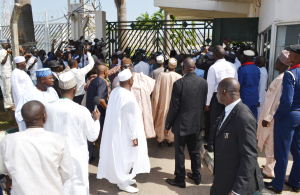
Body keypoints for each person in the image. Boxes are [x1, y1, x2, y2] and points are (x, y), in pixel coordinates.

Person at [44, 72, 101, 195]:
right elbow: (92, 135)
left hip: (54, 158)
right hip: (75, 160)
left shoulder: (47, 108)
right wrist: (96, 120)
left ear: (59, 89)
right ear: (74, 89)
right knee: (76, 188)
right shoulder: (81, 111)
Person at [0, 100, 73, 195]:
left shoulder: (8, 141)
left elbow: (4, 169)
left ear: (24, 118)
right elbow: (67, 173)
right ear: (44, 116)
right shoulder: (58, 140)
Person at [97, 69, 150, 193]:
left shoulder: (116, 91)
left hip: (117, 130)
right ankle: (123, 183)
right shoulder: (127, 96)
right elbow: (129, 119)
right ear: (130, 80)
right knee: (126, 157)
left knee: (122, 156)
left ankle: (124, 177)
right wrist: (133, 136)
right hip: (125, 133)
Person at [211, 78, 264, 195]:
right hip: (223, 180)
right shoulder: (228, 111)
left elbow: (249, 156)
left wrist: (237, 190)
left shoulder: (243, 117)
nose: (216, 95)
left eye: (217, 91)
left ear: (224, 92)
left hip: (235, 185)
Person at [165, 58, 207, 188]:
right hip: (197, 123)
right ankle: (196, 175)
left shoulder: (179, 84)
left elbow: (174, 107)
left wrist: (167, 125)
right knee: (195, 150)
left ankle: (180, 179)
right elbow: (202, 104)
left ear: (183, 68)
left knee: (180, 152)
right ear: (194, 67)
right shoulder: (204, 83)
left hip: (181, 124)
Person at [265, 45, 300, 194]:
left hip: (288, 115)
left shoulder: (290, 74)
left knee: (282, 152)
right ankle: (296, 182)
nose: (289, 57)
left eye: (291, 55)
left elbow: (286, 101)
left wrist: (277, 116)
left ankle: (278, 185)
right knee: (298, 151)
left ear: (297, 57)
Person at [257, 50, 291, 179]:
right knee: (268, 143)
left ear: (281, 64)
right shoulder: (281, 77)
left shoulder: (283, 79)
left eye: (277, 61)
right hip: (269, 116)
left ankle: (269, 171)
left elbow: (277, 101)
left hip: (271, 118)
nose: (275, 63)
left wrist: (268, 117)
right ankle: (268, 167)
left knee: (270, 143)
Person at [112, 58, 156, 139]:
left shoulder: (142, 77)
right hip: (124, 114)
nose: (126, 69)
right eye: (123, 67)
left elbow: (153, 86)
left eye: (127, 67)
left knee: (139, 136)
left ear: (132, 67)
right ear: (121, 68)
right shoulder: (117, 80)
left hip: (140, 113)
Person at [205, 45, 237, 152]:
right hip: (231, 97)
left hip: (218, 96)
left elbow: (210, 86)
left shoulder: (213, 68)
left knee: (215, 121)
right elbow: (236, 83)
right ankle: (226, 144)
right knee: (228, 121)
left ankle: (212, 145)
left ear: (214, 55)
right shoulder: (233, 66)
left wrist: (207, 103)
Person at [152, 58, 182, 146]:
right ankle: (170, 140)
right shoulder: (179, 77)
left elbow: (156, 91)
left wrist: (155, 103)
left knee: (162, 119)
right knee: (173, 120)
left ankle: (161, 138)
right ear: (176, 66)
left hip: (162, 103)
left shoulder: (162, 75)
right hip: (174, 104)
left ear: (167, 65)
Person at [86, 63, 108, 162]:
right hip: (99, 113)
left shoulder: (92, 81)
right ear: (104, 72)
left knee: (91, 135)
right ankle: (102, 157)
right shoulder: (102, 82)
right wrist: (108, 108)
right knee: (100, 134)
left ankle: (90, 156)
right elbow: (100, 99)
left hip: (90, 110)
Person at [238, 50, 261, 119]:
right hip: (255, 97)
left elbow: (238, 85)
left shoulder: (242, 69)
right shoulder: (257, 69)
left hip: (245, 97)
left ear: (245, 57)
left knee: (244, 117)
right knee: (253, 117)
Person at [0, 39, 14, 110]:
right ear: (4, 44)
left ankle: (10, 103)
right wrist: (7, 54)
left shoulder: (7, 52)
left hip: (9, 72)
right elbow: (2, 62)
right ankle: (7, 105)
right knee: (6, 89)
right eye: (8, 44)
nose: (9, 45)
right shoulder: (1, 52)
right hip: (5, 73)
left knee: (10, 89)